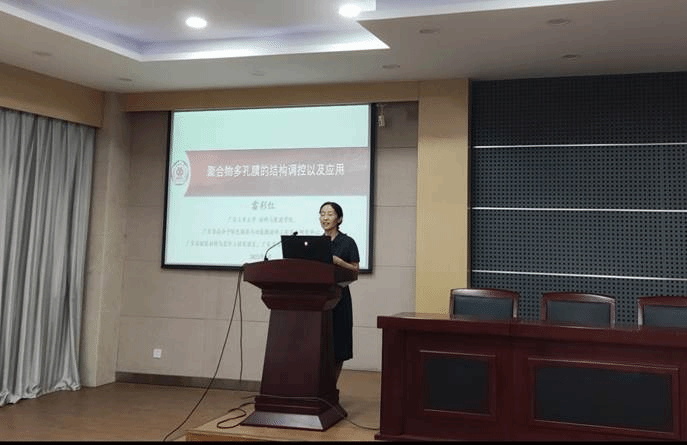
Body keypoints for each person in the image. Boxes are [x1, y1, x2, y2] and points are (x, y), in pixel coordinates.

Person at [319, 201, 359, 385]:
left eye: (330, 214)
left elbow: (355, 269)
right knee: (320, 344)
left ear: (339, 219)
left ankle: (331, 387)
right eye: (322, 214)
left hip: (339, 298)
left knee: (338, 345)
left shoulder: (347, 242)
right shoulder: (317, 243)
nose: (325, 218)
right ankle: (319, 386)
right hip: (318, 300)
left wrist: (338, 262)